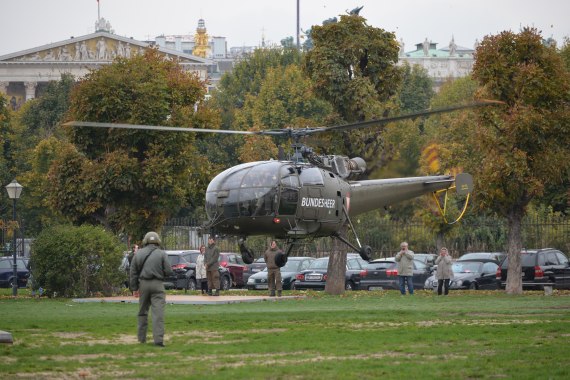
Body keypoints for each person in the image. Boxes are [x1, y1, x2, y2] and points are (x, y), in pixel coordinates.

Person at [129, 231, 173, 347]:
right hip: (158, 284)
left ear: (145, 241)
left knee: (142, 312)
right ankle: (158, 340)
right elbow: (169, 271)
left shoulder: (138, 254)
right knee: (158, 313)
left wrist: (134, 288)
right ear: (157, 241)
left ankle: (141, 339)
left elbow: (133, 272)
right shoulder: (162, 253)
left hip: (143, 284)